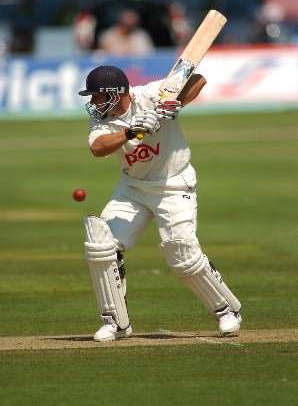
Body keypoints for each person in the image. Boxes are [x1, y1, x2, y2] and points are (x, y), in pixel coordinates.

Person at [79, 65, 242, 342]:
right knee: (101, 243)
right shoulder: (103, 120)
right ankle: (115, 322)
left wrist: (173, 103)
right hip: (133, 188)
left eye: (97, 96)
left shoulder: (151, 93)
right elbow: (98, 148)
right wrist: (132, 130)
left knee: (182, 256)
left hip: (174, 183)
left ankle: (227, 310)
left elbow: (199, 79)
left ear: (116, 94)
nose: (93, 103)